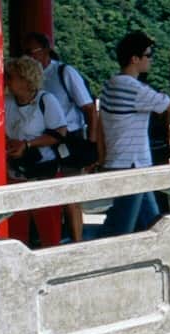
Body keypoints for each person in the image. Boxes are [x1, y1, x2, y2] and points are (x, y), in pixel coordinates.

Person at [95, 32, 170, 237]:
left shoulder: (111, 84)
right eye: (148, 55)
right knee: (120, 230)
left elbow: (100, 125)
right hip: (132, 166)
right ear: (134, 59)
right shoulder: (134, 89)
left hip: (122, 161)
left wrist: (101, 158)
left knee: (153, 225)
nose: (151, 59)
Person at [23, 31, 98, 240]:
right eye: (25, 53)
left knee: (70, 196)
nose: (29, 57)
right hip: (41, 142)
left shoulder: (64, 72)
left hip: (68, 139)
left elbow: (89, 108)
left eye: (32, 52)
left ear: (46, 50)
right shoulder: (27, 78)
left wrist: (91, 144)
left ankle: (77, 242)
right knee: (47, 193)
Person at [3, 56, 70, 246]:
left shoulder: (46, 100)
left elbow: (60, 133)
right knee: (16, 231)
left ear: (25, 79)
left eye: (10, 76)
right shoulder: (6, 101)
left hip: (43, 171)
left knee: (48, 228)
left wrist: (28, 144)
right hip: (15, 171)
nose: (6, 80)